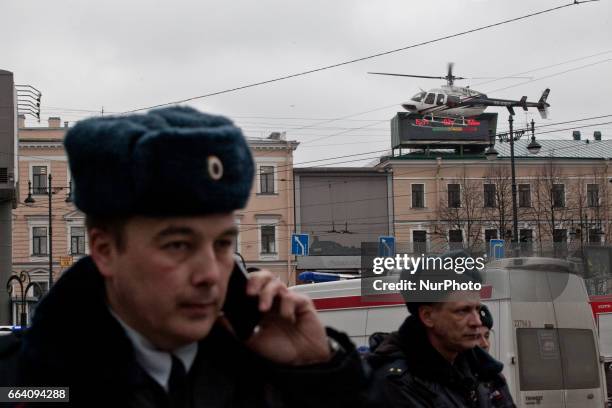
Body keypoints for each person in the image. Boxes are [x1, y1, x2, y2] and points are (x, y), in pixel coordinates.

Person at [0, 107, 367, 407]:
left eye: (223, 244)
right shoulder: (21, 383)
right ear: (105, 250)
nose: (210, 274)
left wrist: (318, 371)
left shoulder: (274, 365)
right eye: (177, 245)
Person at [366, 250, 515, 407]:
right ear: (428, 316)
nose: (477, 322)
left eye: (477, 309)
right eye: (462, 311)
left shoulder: (486, 372)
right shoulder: (398, 384)